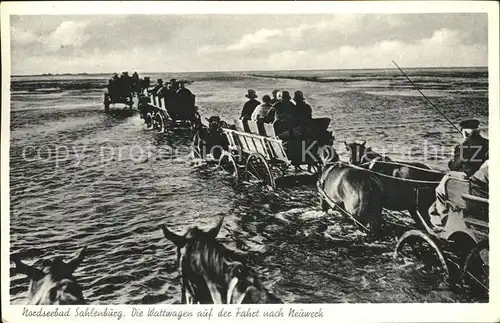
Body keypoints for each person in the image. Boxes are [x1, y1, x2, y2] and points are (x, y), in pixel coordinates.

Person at [428, 119, 489, 229]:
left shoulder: (462, 147)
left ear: (465, 132)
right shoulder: (488, 143)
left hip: (468, 180)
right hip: (483, 181)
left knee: (440, 190)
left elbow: (453, 166)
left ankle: (442, 220)